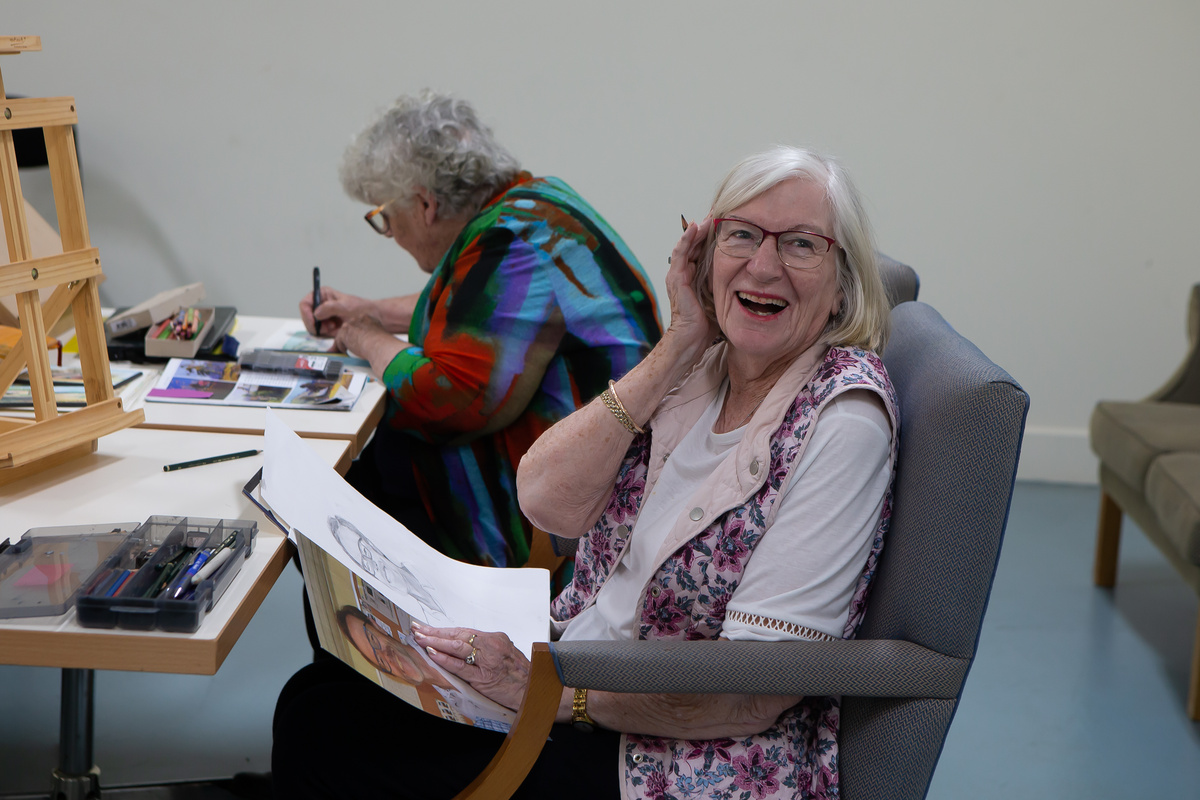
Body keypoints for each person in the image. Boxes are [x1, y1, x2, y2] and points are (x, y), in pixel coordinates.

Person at [274, 145, 898, 800]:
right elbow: (546, 501)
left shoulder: (841, 420)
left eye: (800, 245)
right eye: (741, 235)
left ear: (843, 283)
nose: (763, 265)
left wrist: (552, 694)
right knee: (325, 688)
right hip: (580, 664)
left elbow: (751, 692)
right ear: (706, 256)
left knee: (325, 729)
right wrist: (680, 340)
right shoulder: (707, 365)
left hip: (678, 757)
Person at [298, 91, 662, 571]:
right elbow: (479, 317)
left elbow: (450, 400)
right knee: (349, 483)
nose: (390, 234)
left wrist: (366, 337)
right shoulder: (532, 206)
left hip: (563, 518)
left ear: (426, 204)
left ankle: (364, 643)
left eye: (385, 218)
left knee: (324, 520)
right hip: (581, 473)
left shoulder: (511, 243)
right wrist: (370, 311)